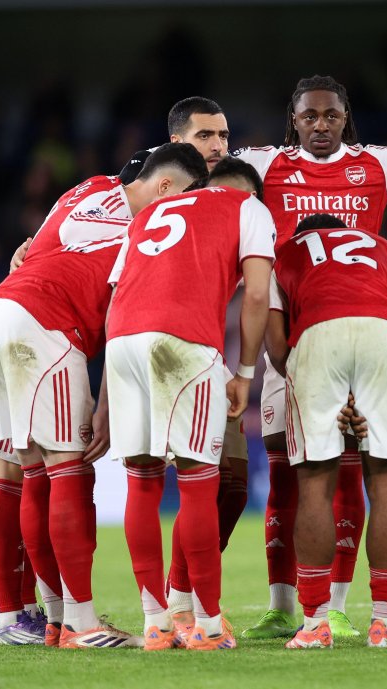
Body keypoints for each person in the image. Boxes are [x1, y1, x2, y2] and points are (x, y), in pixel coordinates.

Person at [0, 143, 209, 649]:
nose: (185, 211)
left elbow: (34, 249)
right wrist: (106, 407)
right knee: (68, 471)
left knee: (24, 470)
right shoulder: (147, 236)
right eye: (185, 196)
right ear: (166, 185)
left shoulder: (87, 191)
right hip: (46, 320)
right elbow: (122, 323)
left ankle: (36, 619)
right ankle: (82, 625)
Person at [237, 75, 387, 639]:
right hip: (359, 329)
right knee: (286, 473)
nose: (321, 125)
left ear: (347, 119)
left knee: (332, 474)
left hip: (308, 336)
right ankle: (285, 605)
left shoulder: (380, 165)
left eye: (331, 116)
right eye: (310, 116)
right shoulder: (264, 164)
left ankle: (331, 607)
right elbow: (196, 162)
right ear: (292, 120)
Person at [105, 155, 276, 651]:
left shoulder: (153, 214)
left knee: (141, 483)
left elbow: (116, 291)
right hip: (183, 342)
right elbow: (258, 295)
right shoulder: (249, 207)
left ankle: (156, 622)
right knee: (200, 482)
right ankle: (207, 623)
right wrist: (245, 372)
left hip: (122, 341)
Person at [264, 213, 387, 649]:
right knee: (386, 480)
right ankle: (384, 623)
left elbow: (277, 344)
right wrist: (359, 396)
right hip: (383, 335)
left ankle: (314, 625)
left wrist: (317, 381)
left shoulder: (286, 253)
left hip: (317, 333)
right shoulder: (385, 248)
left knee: (314, 483)